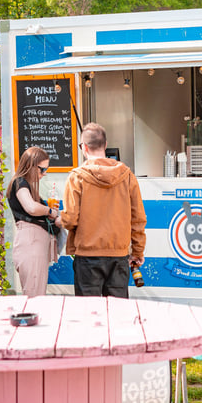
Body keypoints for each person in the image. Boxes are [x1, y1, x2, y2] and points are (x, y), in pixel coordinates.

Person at [61, 123, 147, 297]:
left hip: (87, 256)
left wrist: (60, 219)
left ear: (84, 147)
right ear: (105, 145)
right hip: (119, 255)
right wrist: (137, 251)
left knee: (89, 313)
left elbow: (70, 219)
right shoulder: (127, 176)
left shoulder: (76, 177)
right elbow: (137, 217)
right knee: (117, 313)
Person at [6, 146, 61, 296]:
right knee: (34, 295)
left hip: (34, 244)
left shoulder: (25, 184)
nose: (44, 174)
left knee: (36, 292)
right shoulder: (20, 182)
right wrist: (50, 211)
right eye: (42, 169)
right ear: (30, 165)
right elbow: (30, 207)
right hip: (31, 244)